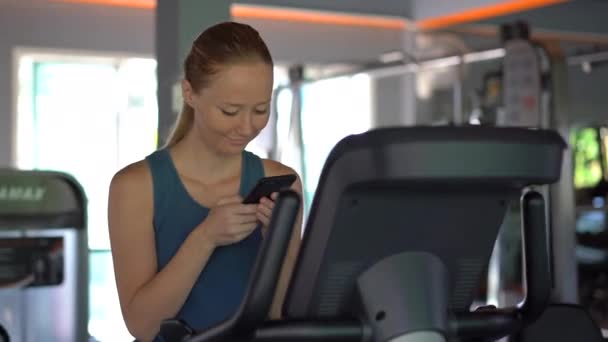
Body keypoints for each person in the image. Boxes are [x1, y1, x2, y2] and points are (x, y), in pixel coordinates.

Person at [107, 21, 303, 342]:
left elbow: (286, 317)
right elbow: (143, 326)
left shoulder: (282, 182)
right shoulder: (134, 188)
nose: (246, 126)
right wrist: (205, 238)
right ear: (190, 93)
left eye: (260, 110)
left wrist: (276, 243)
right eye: (229, 111)